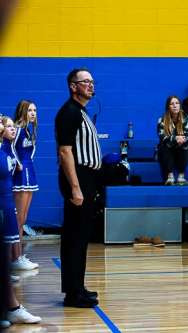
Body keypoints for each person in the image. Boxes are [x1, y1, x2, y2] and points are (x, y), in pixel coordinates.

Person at [55, 68, 101, 307]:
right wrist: (75, 187)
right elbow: (65, 152)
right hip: (78, 178)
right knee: (74, 237)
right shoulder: (69, 113)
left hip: (87, 178)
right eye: (86, 82)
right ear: (73, 86)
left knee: (81, 237)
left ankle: (78, 287)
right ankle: (72, 293)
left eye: (92, 82)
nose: (91, 85)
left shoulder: (81, 112)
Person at [0, 119, 41, 327]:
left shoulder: (5, 148)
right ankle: (12, 308)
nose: (10, 128)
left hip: (5, 207)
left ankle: (10, 309)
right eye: (4, 124)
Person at [1, 117, 38, 271]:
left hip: (7, 195)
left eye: (12, 126)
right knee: (13, 226)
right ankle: (14, 259)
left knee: (14, 227)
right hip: (4, 196)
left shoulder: (8, 148)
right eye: (8, 126)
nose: (12, 129)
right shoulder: (4, 149)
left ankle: (14, 260)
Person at [12, 101, 39, 260]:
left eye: (35, 110)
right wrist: (18, 164)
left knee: (23, 218)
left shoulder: (30, 130)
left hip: (29, 172)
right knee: (18, 218)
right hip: (21, 174)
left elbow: (31, 151)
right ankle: (15, 257)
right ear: (23, 111)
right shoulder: (18, 129)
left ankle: (19, 256)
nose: (33, 113)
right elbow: (10, 149)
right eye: (30, 110)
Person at [156, 96, 188, 185]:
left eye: (177, 103)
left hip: (182, 148)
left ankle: (181, 176)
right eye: (172, 104)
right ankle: (170, 176)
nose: (175, 106)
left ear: (180, 105)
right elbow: (163, 137)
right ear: (168, 107)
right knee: (163, 146)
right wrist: (176, 138)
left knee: (187, 146)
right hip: (168, 149)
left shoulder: (187, 119)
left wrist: (182, 139)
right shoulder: (162, 120)